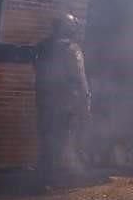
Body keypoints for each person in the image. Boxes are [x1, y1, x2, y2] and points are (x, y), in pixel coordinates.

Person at [34, 13, 91, 180]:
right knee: (65, 139)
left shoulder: (41, 46)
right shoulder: (72, 49)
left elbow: (37, 71)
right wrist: (86, 99)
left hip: (44, 100)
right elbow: (79, 77)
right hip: (67, 103)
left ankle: (44, 174)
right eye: (73, 25)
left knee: (46, 136)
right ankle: (58, 177)